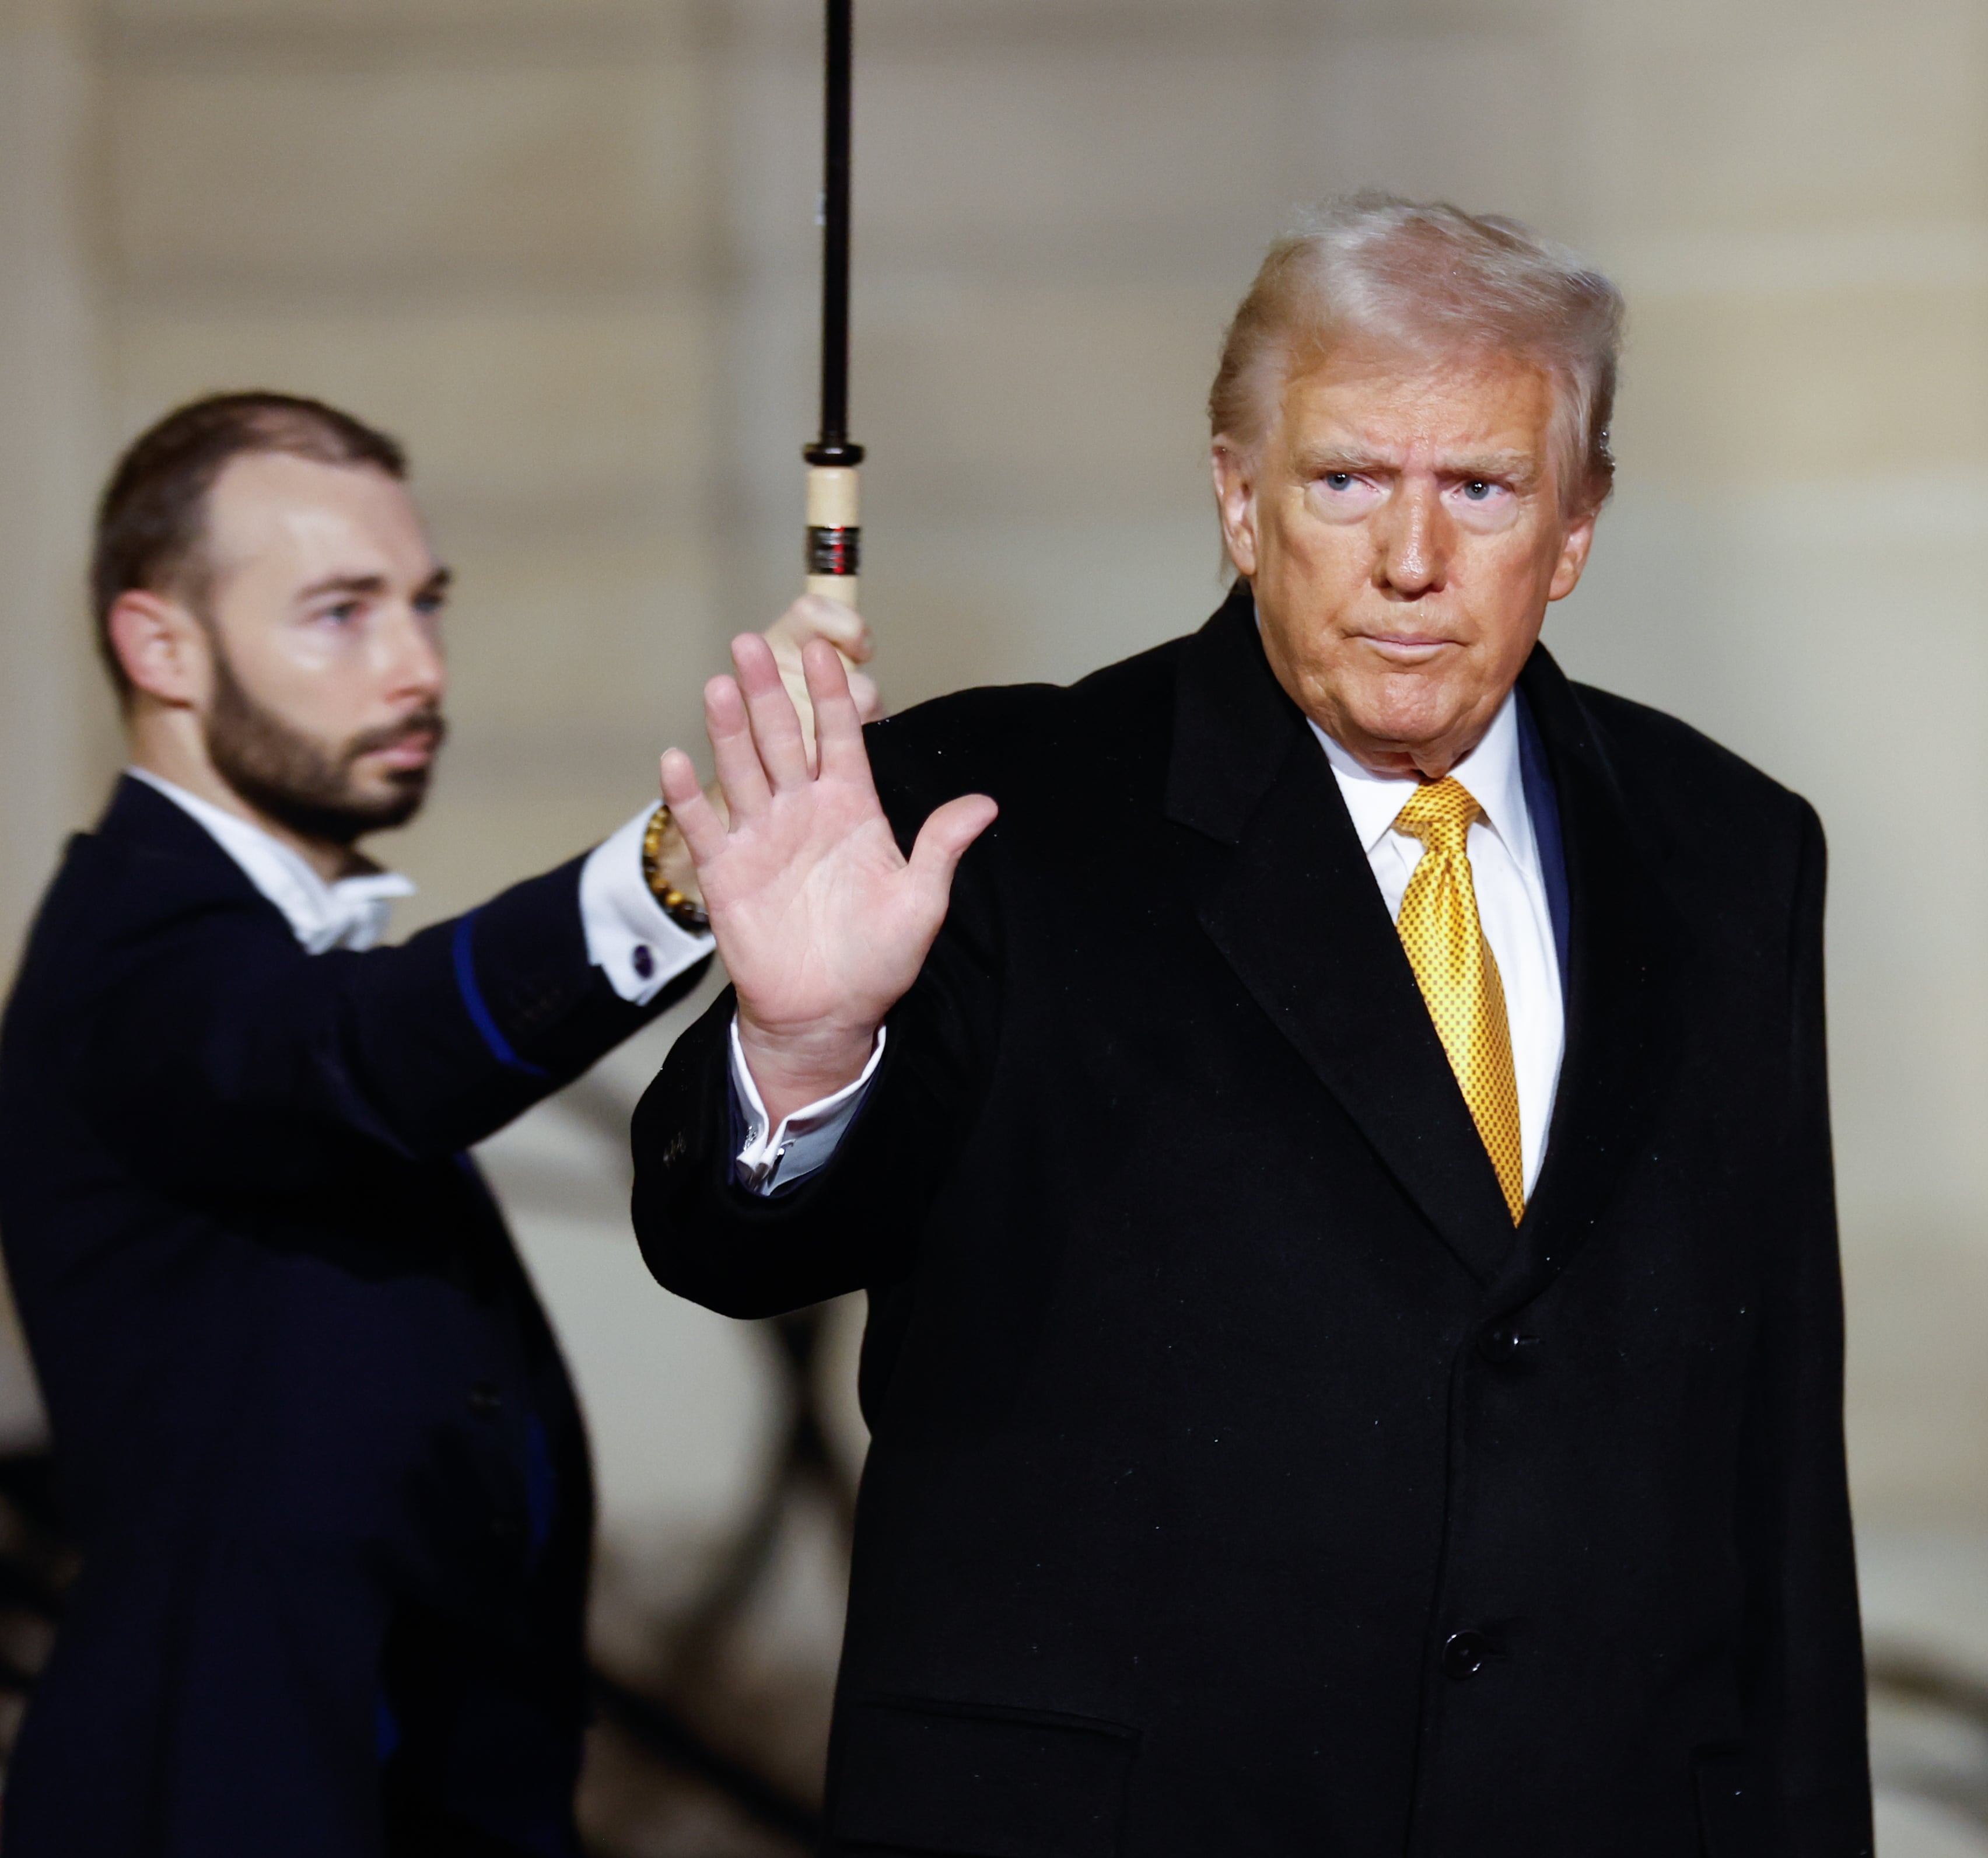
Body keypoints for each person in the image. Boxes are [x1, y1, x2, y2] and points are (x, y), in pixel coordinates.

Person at [634, 195, 1872, 1854]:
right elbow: (729, 1244)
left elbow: (1775, 1463)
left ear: (1574, 530)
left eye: (1483, 490)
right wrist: (797, 1056)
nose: (1410, 559)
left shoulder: (1731, 852)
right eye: (1347, 479)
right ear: (1238, 497)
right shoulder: (996, 818)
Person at [0, 391, 876, 1856]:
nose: (418, 669)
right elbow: (371, 1056)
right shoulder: (128, 960)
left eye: (426, 605)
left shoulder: (258, 948)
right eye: (341, 616)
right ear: (161, 647)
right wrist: (683, 864)